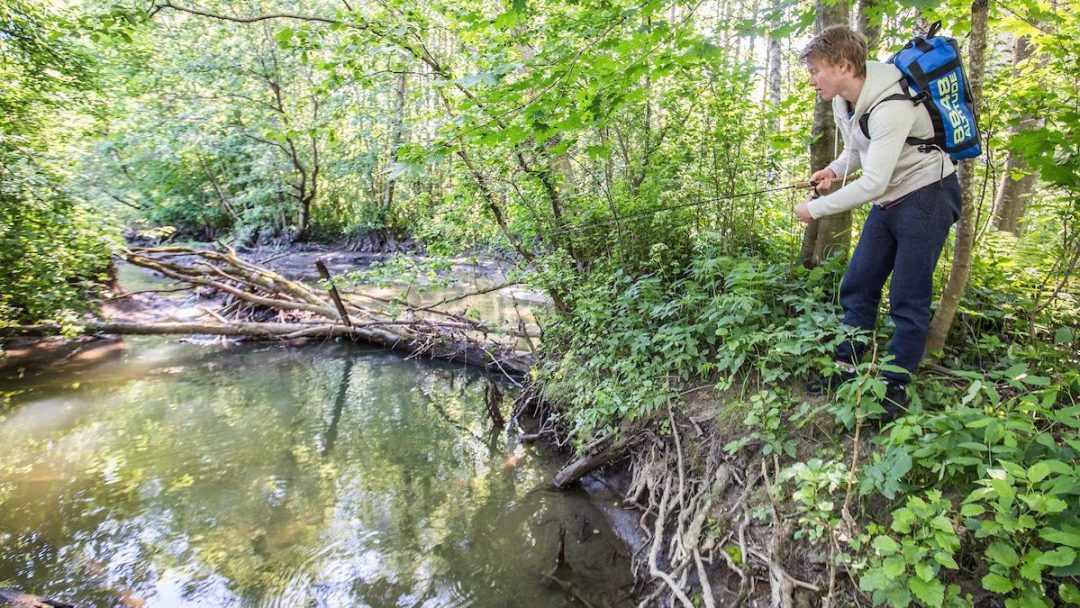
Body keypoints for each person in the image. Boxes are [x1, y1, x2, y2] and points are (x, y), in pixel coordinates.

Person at [795, 25, 961, 423]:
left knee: (907, 297)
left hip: (927, 194)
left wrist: (815, 210)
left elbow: (873, 182)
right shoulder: (845, 101)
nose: (812, 79)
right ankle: (846, 370)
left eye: (817, 70)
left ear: (843, 66)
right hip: (891, 198)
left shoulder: (891, 105)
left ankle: (894, 388)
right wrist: (833, 171)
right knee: (858, 283)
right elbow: (857, 150)